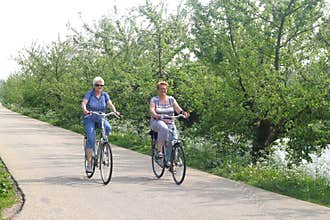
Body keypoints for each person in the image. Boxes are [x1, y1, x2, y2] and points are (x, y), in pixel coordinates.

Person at [81, 76, 120, 172]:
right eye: (97, 85)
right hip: (90, 118)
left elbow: (110, 104)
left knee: (108, 128)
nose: (99, 87)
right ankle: (89, 164)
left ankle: (103, 144)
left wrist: (115, 112)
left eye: (101, 85)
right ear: (94, 86)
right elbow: (83, 103)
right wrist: (85, 110)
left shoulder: (105, 95)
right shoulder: (89, 94)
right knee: (91, 138)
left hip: (100, 117)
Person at [149, 81, 189, 158]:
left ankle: (172, 161)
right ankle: (159, 151)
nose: (163, 90)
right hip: (157, 121)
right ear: (158, 90)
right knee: (163, 128)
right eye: (161, 89)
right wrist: (155, 115)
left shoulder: (171, 99)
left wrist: (183, 113)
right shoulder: (154, 99)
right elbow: (151, 109)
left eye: (165, 89)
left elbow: (178, 109)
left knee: (174, 141)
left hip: (170, 122)